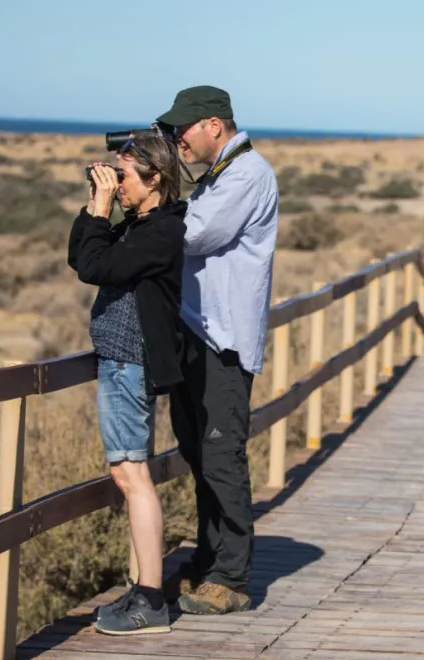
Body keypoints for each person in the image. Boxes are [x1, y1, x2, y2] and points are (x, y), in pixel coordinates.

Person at [156, 85, 279, 615]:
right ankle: (209, 561)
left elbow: (197, 235)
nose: (174, 139)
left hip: (223, 340)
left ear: (213, 125)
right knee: (199, 453)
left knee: (221, 453)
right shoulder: (222, 174)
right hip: (198, 332)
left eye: (181, 129)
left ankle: (231, 576)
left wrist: (148, 206)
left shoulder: (247, 174)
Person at [67, 131, 186, 634]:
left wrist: (99, 206)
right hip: (121, 362)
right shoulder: (140, 225)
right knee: (129, 473)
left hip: (127, 364)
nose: (117, 185)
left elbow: (94, 267)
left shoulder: (160, 231)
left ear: (155, 178)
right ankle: (146, 591)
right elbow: (81, 257)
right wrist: (97, 208)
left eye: (125, 177)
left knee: (132, 475)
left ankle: (150, 597)